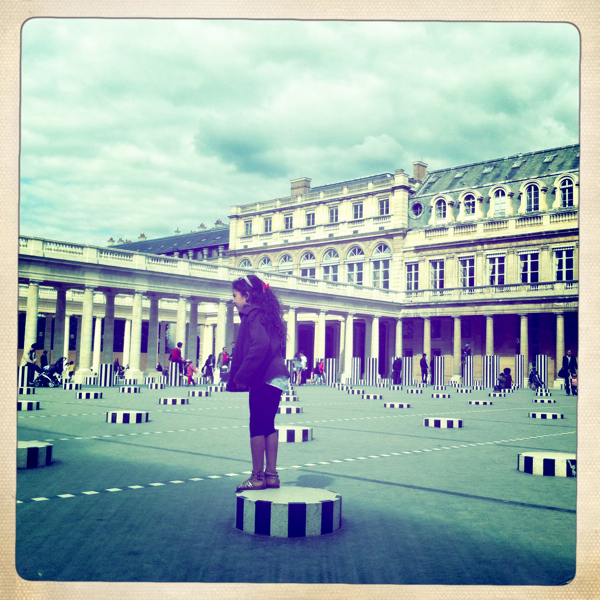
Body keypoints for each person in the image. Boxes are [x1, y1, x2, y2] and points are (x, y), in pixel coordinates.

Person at [226, 274, 289, 492]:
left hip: (264, 376)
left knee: (256, 425)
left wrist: (243, 374)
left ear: (247, 295)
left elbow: (260, 345)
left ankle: (257, 477)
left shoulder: (253, 314)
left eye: (235, 295)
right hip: (277, 376)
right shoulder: (269, 315)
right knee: (268, 424)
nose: (234, 300)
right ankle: (271, 476)